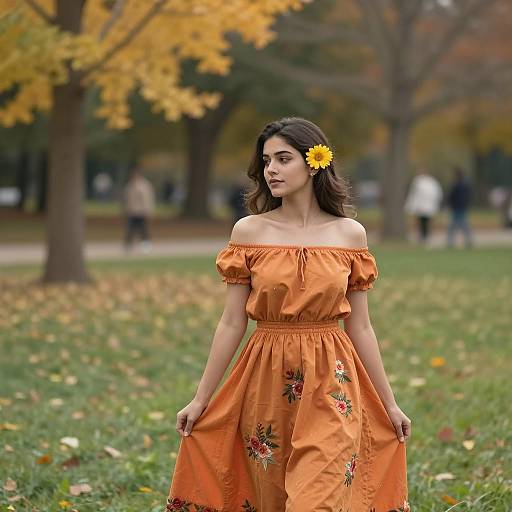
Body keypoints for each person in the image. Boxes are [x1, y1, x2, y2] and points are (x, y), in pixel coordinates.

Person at [165, 117, 411, 512]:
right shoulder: (250, 232)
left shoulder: (350, 235)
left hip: (332, 378)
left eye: (283, 158)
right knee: (272, 496)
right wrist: (201, 398)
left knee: (318, 496)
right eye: (266, 161)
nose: (272, 170)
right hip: (265, 375)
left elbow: (361, 326)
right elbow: (232, 321)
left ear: (314, 162)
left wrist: (390, 402)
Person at [404, 169, 443, 245]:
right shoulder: (432, 182)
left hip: (421, 207)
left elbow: (415, 195)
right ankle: (425, 237)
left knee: (422, 223)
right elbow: (438, 194)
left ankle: (423, 237)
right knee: (425, 223)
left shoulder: (419, 181)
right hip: (429, 207)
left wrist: (411, 206)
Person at [121, 167, 155, 253]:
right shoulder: (129, 186)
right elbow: (126, 199)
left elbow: (148, 199)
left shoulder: (144, 185)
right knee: (130, 229)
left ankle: (146, 245)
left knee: (143, 229)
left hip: (141, 211)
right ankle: (128, 245)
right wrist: (125, 209)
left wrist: (148, 210)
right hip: (132, 211)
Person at [446, 166, 473, 248]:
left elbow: (451, 196)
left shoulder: (456, 185)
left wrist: (450, 205)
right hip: (462, 207)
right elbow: (469, 196)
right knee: (464, 225)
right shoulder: (466, 185)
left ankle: (450, 242)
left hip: (457, 207)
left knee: (454, 226)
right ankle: (468, 241)